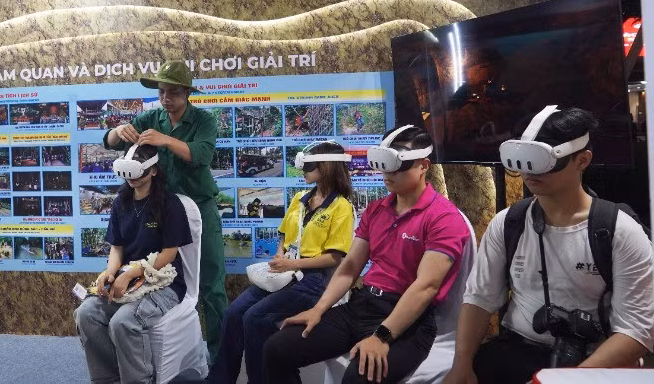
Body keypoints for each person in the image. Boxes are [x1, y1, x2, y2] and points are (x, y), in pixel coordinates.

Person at [443, 107, 654, 384]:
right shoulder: (508, 223)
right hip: (519, 350)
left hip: (596, 358)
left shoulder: (619, 231)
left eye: (543, 161)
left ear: (582, 160)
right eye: (524, 160)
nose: (530, 171)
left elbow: (636, 330)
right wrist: (461, 363)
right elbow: (479, 298)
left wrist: (565, 380)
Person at [262, 125, 470, 384]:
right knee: (276, 349)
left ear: (423, 166)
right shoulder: (376, 210)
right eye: (384, 165)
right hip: (362, 306)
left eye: (397, 166)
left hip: (409, 321)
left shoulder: (444, 218)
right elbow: (350, 266)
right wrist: (318, 309)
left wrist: (382, 336)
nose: (388, 174)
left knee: (359, 378)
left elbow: (425, 287)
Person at [103, 60, 227, 361]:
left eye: (172, 93)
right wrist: (118, 131)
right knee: (162, 275)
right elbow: (109, 142)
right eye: (161, 92)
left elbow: (202, 154)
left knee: (211, 284)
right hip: (162, 210)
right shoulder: (150, 117)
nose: (165, 98)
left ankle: (219, 359)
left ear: (187, 93)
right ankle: (168, 350)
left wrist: (166, 140)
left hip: (200, 206)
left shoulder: (204, 120)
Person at [209, 142, 355, 384]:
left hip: (314, 280)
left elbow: (334, 257)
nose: (302, 171)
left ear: (326, 166)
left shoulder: (341, 207)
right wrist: (281, 257)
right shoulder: (300, 199)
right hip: (286, 272)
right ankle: (220, 379)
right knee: (234, 313)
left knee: (255, 318)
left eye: (308, 166)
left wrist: (293, 265)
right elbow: (284, 236)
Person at [74, 144, 193, 383]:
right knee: (86, 313)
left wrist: (132, 274)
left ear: (154, 171)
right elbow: (117, 247)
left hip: (164, 283)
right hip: (127, 280)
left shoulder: (170, 204)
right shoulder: (121, 202)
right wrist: (110, 273)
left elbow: (169, 254)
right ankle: (109, 379)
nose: (133, 179)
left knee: (123, 322)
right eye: (128, 174)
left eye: (138, 173)